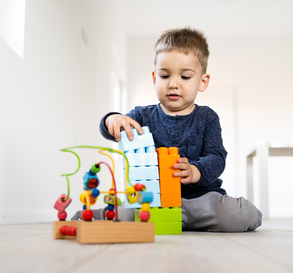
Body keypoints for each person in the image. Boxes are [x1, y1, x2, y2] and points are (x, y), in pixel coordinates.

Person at [73, 27, 262, 232]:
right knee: (126, 211)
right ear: (155, 79)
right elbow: (112, 129)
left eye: (185, 77)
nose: (173, 84)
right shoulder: (141, 116)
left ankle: (183, 218)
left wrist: (196, 170)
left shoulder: (207, 117)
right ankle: (95, 216)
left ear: (202, 81)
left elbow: (217, 157)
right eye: (165, 76)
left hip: (199, 200)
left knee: (239, 215)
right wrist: (113, 119)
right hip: (152, 202)